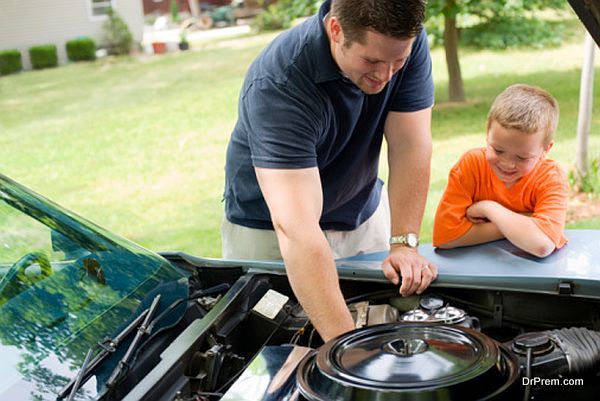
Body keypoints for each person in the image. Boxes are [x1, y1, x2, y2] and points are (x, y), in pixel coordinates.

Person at [222, 0, 438, 342]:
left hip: (359, 211)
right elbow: (297, 229)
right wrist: (345, 351)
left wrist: (404, 244)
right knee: (280, 344)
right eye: (372, 61)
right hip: (272, 233)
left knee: (384, 325)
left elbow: (411, 146)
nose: (385, 75)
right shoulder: (278, 82)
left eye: (398, 61)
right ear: (336, 30)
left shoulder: (403, 43)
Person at [433, 84, 568, 257]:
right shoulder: (472, 164)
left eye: (522, 157)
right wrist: (524, 220)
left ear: (546, 149)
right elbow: (445, 237)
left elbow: (542, 245)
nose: (507, 164)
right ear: (487, 133)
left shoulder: (551, 178)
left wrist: (489, 209)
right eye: (498, 150)